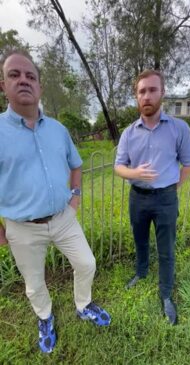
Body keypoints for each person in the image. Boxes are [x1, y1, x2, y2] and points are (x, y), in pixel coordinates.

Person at [0, 50, 111, 353]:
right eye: (15, 74)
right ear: (3, 85)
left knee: (87, 263)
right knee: (34, 283)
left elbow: (76, 165)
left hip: (63, 218)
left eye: (30, 76)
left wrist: (74, 198)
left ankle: (83, 304)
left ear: (39, 86)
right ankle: (45, 317)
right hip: (22, 228)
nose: (24, 80)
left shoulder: (58, 130)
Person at [115, 69, 190, 325]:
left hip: (166, 200)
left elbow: (189, 164)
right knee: (140, 240)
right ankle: (141, 272)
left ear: (162, 92)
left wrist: (171, 188)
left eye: (152, 90)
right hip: (137, 198)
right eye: (141, 91)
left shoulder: (179, 129)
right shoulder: (128, 133)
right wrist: (135, 172)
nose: (147, 96)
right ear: (136, 97)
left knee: (166, 249)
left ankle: (166, 294)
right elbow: (118, 166)